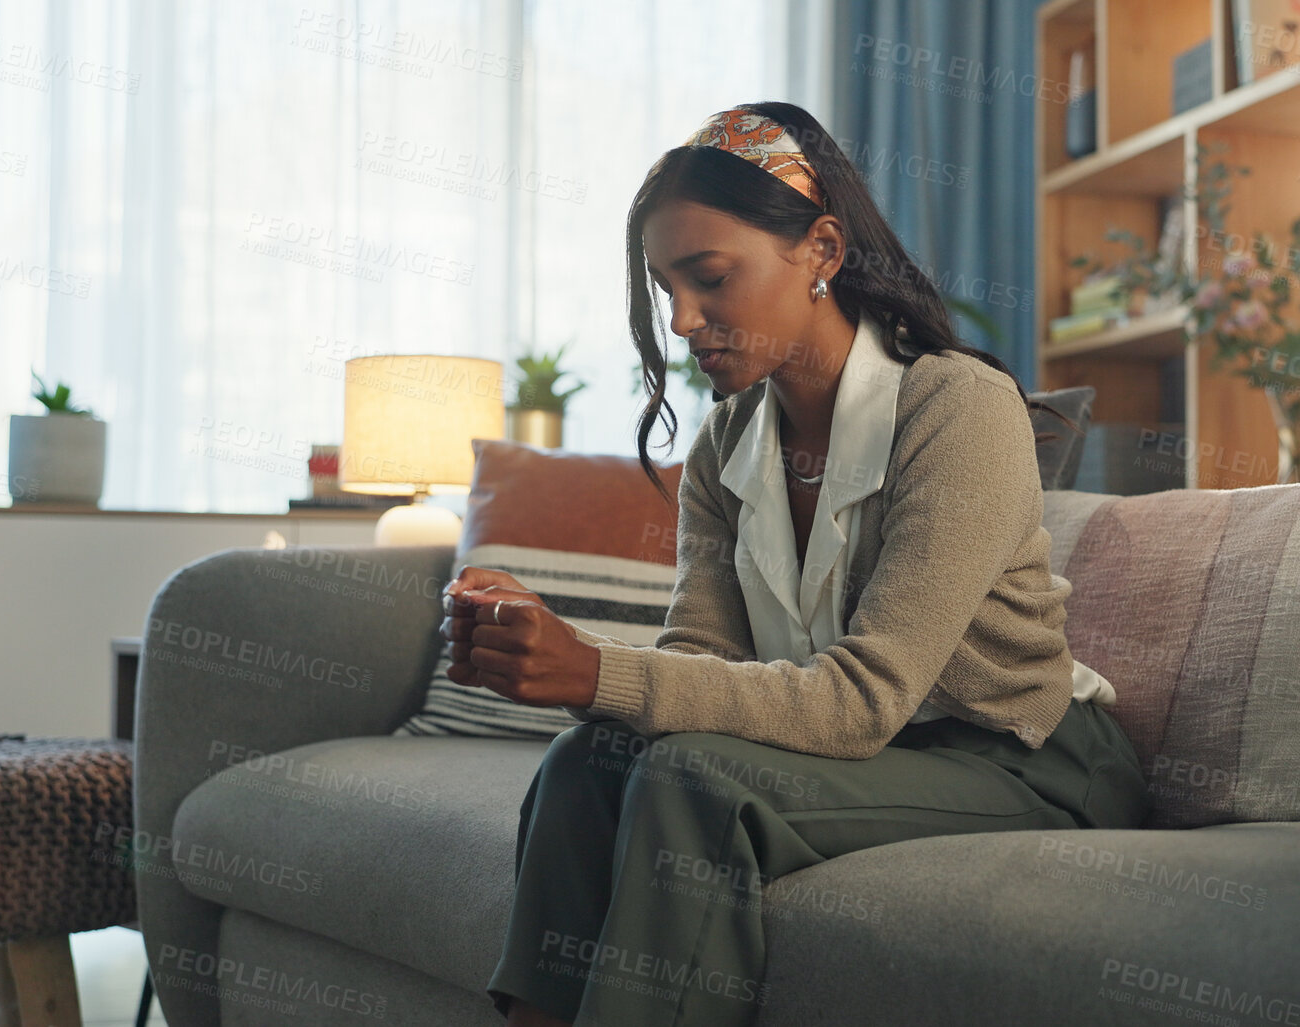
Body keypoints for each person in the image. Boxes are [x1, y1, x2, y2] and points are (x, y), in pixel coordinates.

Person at [437, 101, 1151, 1027]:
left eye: (709, 277)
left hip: (1022, 762)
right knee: (589, 762)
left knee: (696, 782)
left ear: (820, 250)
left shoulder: (954, 408)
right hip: (875, 755)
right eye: (666, 289)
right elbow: (703, 664)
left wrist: (595, 667)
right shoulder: (724, 443)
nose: (685, 319)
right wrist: (560, 664)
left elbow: (862, 701)